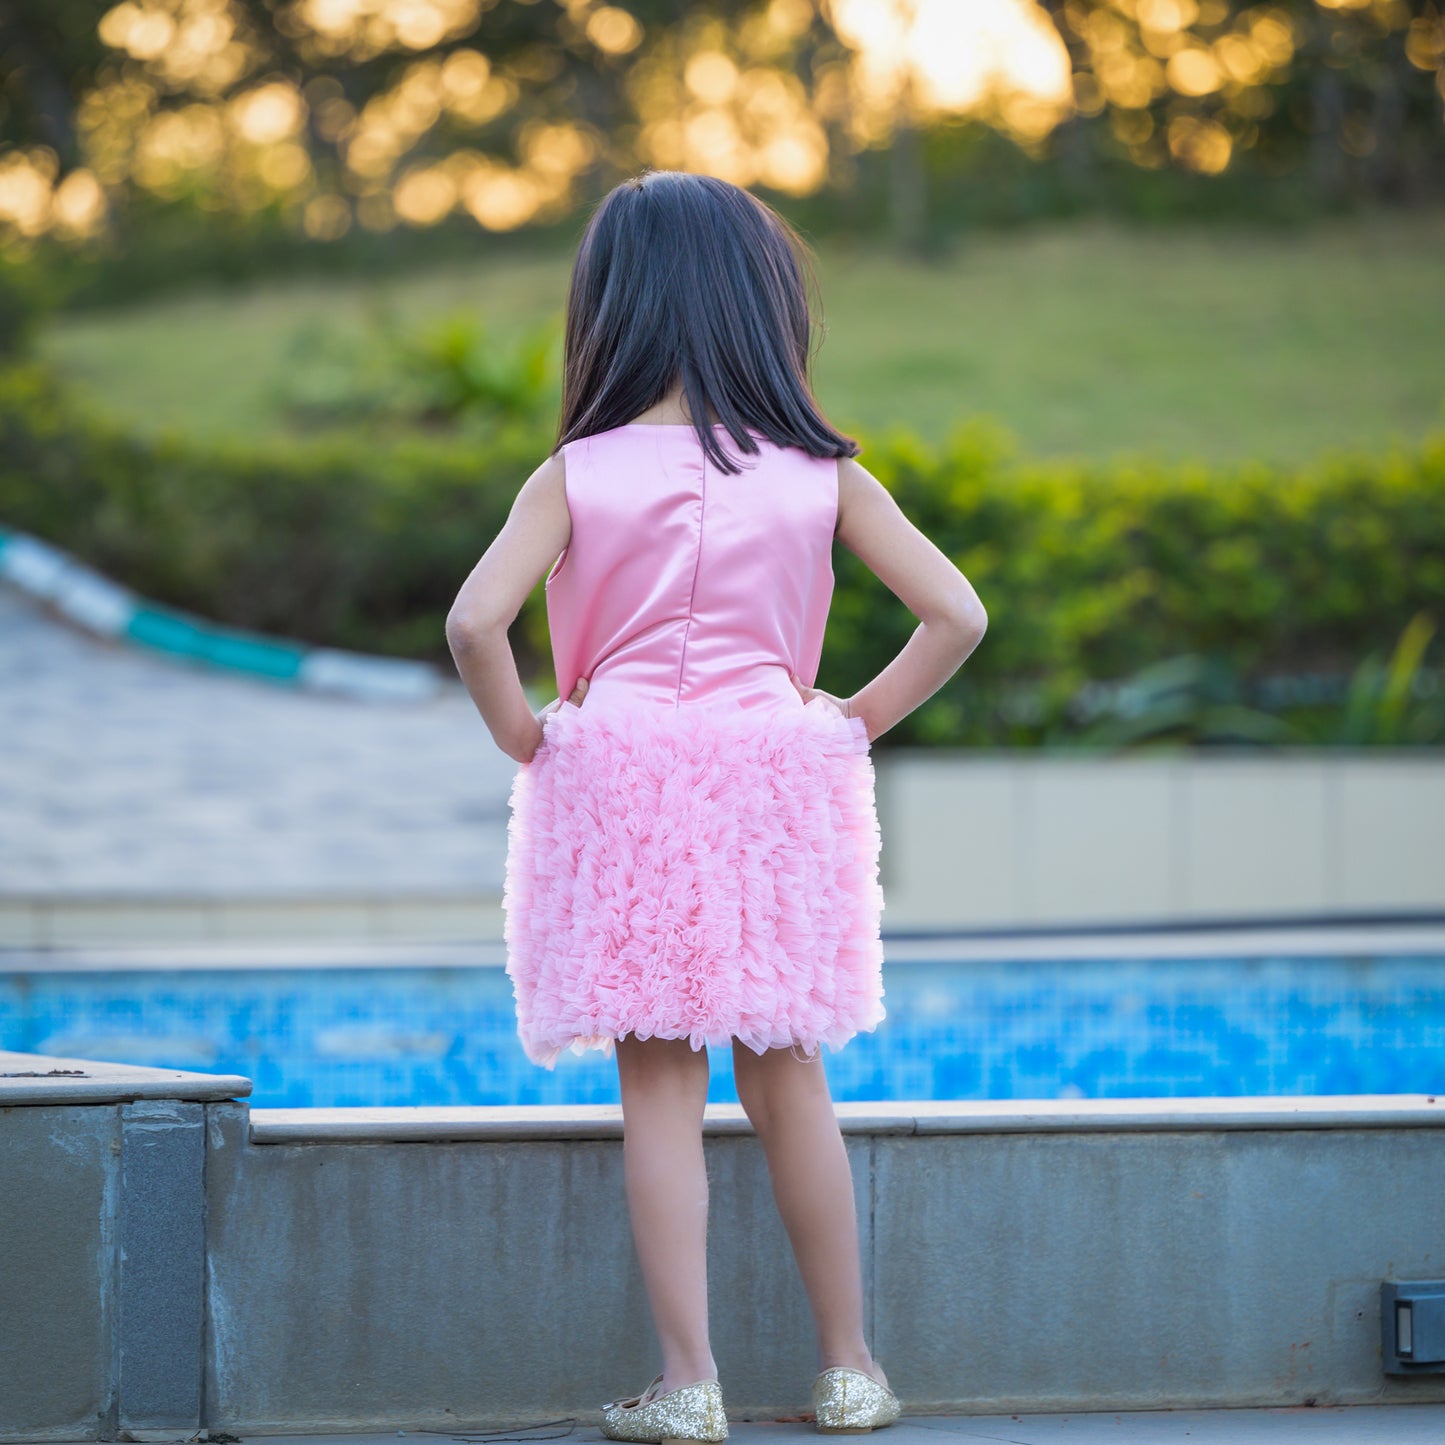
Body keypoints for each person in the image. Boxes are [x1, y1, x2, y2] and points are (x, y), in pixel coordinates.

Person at [445, 169, 987, 1441]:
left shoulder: (576, 471)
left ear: (610, 307)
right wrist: (846, 719)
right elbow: (956, 614)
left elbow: (476, 620)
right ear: (762, 304)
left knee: (658, 1086)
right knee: (791, 1070)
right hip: (773, 772)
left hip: (620, 769)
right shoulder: (820, 471)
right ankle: (849, 1366)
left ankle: (688, 1384)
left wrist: (530, 733)